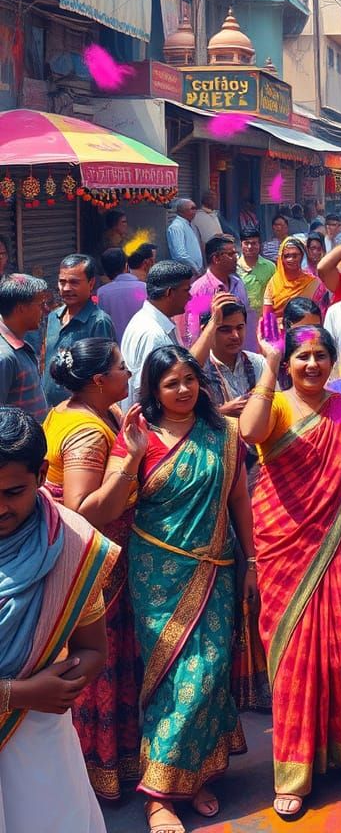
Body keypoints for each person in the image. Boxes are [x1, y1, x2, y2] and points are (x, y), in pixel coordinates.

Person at [240, 324, 341, 817]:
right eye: (301, 356)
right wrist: (266, 368)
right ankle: (294, 769)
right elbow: (249, 432)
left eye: (320, 356)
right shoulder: (278, 404)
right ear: (287, 363)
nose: (311, 364)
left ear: (333, 363)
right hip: (285, 547)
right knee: (291, 662)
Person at [111, 345, 256, 833]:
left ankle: (191, 776)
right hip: (157, 577)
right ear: (152, 390)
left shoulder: (225, 433)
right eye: (170, 383)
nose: (182, 390)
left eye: (189, 380)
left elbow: (238, 497)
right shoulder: (138, 438)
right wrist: (131, 458)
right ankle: (159, 796)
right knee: (173, 680)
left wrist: (251, 559)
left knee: (209, 673)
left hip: (216, 568)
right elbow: (108, 505)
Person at [0, 406, 119, 833]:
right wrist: (17, 693)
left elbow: (92, 649)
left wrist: (58, 686)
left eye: (13, 492)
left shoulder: (73, 547)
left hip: (38, 734)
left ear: (41, 474)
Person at [42, 338, 143, 801]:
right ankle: (99, 767)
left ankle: (111, 763)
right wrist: (133, 461)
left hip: (102, 563)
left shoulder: (80, 411)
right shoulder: (86, 430)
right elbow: (84, 509)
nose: (128, 374)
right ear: (100, 380)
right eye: (122, 368)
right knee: (102, 663)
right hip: (98, 566)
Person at [120, 261, 224, 408]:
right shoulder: (153, 334)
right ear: (169, 293)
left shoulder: (153, 322)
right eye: (186, 290)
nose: (190, 297)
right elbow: (148, 392)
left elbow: (184, 365)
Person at [40, 255, 115, 408]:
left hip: (80, 411)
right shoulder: (54, 316)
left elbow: (105, 374)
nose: (66, 288)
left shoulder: (99, 321)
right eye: (62, 282)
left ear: (91, 283)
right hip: (50, 409)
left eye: (74, 282)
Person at [182, 235, 254, 351]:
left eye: (236, 253)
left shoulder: (238, 284)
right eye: (230, 254)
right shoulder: (200, 290)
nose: (236, 258)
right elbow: (193, 331)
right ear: (216, 259)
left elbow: (246, 321)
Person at [201, 301, 266, 416]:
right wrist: (220, 413)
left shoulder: (258, 363)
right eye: (225, 330)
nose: (235, 336)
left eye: (240, 328)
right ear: (206, 330)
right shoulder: (198, 370)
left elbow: (276, 404)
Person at [0, 274, 49, 420]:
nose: (46, 310)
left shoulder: (17, 346)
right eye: (41, 304)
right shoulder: (4, 357)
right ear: (21, 308)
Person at [263, 235, 330, 322]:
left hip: (307, 331)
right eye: (287, 256)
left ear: (302, 256)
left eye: (295, 255)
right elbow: (267, 317)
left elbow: (322, 313)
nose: (291, 259)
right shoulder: (273, 283)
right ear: (281, 258)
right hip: (279, 333)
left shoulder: (314, 284)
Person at [98, 243, 154, 341]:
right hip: (143, 344)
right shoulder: (144, 288)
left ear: (105, 271)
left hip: (116, 349)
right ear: (126, 265)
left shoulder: (102, 293)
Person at [237, 225, 276, 313]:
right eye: (246, 243)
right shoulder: (234, 268)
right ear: (241, 244)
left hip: (264, 318)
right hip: (241, 319)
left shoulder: (270, 267)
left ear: (260, 244)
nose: (250, 247)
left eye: (254, 243)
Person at [166, 198, 203, 274]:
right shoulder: (176, 227)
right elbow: (180, 255)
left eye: (195, 208)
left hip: (196, 271)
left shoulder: (191, 225)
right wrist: (195, 269)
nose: (195, 211)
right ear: (182, 211)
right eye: (192, 209)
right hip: (186, 272)